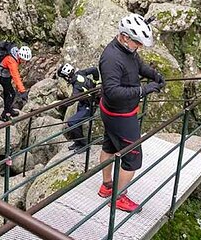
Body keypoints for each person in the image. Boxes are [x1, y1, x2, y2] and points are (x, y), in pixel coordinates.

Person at [97, 13, 166, 213]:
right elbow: (113, 91)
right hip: (120, 115)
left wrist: (152, 74)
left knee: (109, 146)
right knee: (132, 159)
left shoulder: (127, 50)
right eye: (138, 42)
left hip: (113, 112)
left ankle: (106, 186)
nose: (140, 46)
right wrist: (143, 90)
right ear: (125, 37)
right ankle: (118, 198)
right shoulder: (111, 59)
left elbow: (136, 64)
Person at [56, 63, 100, 150]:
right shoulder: (80, 73)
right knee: (76, 121)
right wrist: (95, 81)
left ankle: (84, 145)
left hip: (90, 106)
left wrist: (61, 104)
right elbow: (94, 69)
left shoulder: (77, 85)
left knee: (72, 122)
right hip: (84, 102)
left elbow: (72, 100)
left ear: (67, 77)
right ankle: (77, 142)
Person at [0, 45, 32, 122]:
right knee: (11, 94)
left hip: (4, 73)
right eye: (24, 60)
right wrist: (22, 91)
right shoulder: (12, 61)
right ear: (21, 57)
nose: (25, 62)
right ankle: (4, 114)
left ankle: (8, 109)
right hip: (1, 75)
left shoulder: (15, 53)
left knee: (7, 92)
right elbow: (16, 77)